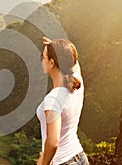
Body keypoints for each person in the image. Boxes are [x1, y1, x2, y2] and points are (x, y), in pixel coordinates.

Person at [36, 37, 89, 165]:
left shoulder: (53, 99)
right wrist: (59, 49)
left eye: (42, 57)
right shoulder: (77, 84)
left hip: (62, 162)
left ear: (52, 63)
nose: (41, 60)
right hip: (80, 156)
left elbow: (53, 142)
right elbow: (74, 63)